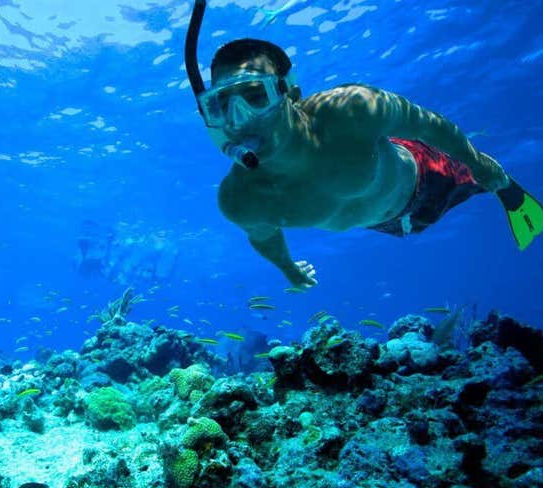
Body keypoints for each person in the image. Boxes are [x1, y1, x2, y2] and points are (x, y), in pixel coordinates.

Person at [184, 0, 543, 290]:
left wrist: (475, 160)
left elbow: (426, 124)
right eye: (221, 105)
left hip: (428, 177)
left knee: (487, 179)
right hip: (387, 224)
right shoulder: (239, 199)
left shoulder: (352, 110)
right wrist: (289, 270)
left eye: (253, 96)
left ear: (290, 93)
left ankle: (507, 188)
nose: (239, 118)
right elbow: (263, 235)